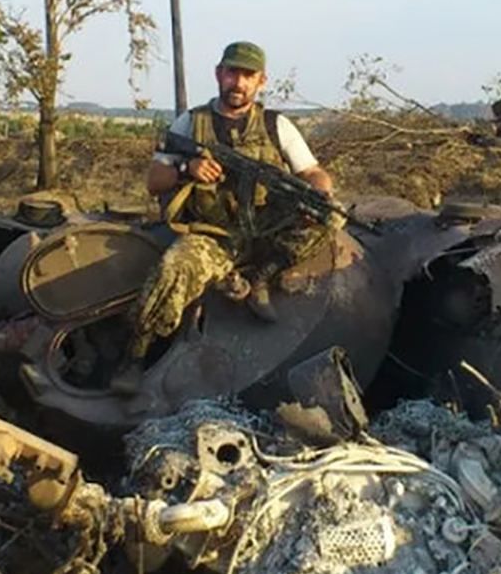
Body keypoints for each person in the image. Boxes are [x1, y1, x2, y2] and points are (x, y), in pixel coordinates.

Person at [114, 41, 337, 393]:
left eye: (248, 75)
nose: (239, 82)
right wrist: (188, 168)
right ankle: (133, 358)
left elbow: (312, 171)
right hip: (213, 234)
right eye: (232, 72)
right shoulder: (192, 123)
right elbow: (154, 182)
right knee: (174, 268)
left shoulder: (275, 125)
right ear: (219, 74)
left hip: (265, 233)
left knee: (330, 219)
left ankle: (261, 277)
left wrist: (320, 194)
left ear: (261, 81)